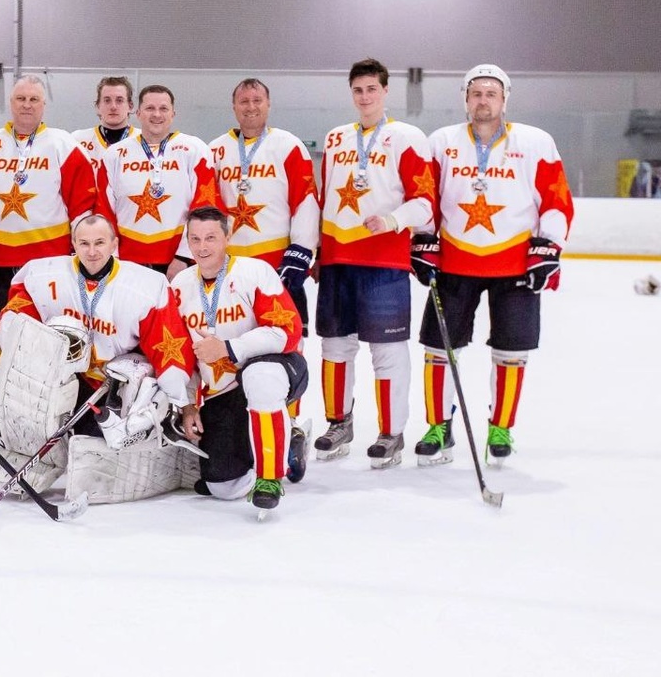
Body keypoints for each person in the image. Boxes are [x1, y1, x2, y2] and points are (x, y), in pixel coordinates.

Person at [410, 65, 574, 466]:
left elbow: (556, 196)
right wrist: (423, 239)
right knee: (438, 348)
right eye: (476, 93)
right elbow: (425, 194)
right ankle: (438, 425)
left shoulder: (535, 142)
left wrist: (549, 247)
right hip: (454, 262)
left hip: (515, 264)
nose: (483, 100)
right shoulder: (442, 141)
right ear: (466, 99)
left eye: (491, 93)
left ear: (504, 99)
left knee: (511, 351)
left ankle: (501, 428)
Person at [314, 58, 437, 468]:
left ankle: (391, 432)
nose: (364, 97)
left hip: (384, 261)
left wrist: (392, 220)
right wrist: (318, 250)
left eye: (371, 89)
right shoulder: (335, 138)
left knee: (387, 349)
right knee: (334, 346)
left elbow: (425, 202)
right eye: (358, 90)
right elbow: (324, 199)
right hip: (338, 259)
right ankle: (338, 423)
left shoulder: (408, 137)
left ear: (385, 91)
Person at [1, 213, 195, 445]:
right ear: (74, 244)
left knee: (98, 439)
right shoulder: (43, 275)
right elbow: (17, 320)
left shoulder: (144, 286)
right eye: (84, 243)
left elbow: (168, 344)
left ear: (114, 244)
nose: (92, 252)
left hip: (114, 384)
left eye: (99, 243)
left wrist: (178, 400)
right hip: (65, 376)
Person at [206, 78, 319, 469]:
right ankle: (238, 423)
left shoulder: (288, 145)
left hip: (277, 267)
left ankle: (290, 424)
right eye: (244, 101)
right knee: (233, 345)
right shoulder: (216, 149)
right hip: (231, 271)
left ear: (268, 104)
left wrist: (301, 250)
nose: (251, 107)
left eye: (257, 100)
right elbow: (208, 206)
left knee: (286, 345)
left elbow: (306, 198)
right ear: (233, 106)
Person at [172, 207, 308, 517]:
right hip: (223, 391)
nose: (202, 247)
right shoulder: (180, 285)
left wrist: (229, 347)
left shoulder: (255, 272)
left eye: (210, 238)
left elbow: (287, 331)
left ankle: (270, 477)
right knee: (223, 487)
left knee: (259, 376)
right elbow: (181, 353)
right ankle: (286, 443)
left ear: (227, 236)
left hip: (277, 370)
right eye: (195, 239)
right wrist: (188, 405)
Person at [0, 74, 96, 366]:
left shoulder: (64, 145)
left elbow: (81, 204)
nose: (27, 105)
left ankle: (49, 395)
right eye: (21, 99)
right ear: (11, 102)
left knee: (51, 333)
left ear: (44, 105)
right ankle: (2, 393)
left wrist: (82, 250)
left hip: (48, 260)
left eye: (34, 99)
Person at [95, 84, 220, 280]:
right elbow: (104, 211)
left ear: (173, 114)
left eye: (163, 108)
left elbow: (205, 206)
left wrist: (185, 256)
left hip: (179, 264)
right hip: (127, 263)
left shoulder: (194, 149)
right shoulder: (114, 154)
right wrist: (112, 259)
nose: (156, 114)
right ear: (138, 113)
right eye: (150, 108)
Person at [71, 76, 137, 173]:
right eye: (107, 100)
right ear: (98, 106)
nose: (113, 107)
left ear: (130, 106)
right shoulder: (77, 140)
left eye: (119, 100)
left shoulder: (145, 141)